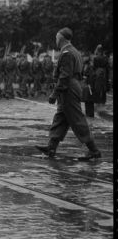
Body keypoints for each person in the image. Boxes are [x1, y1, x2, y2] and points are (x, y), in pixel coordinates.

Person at [36, 27, 101, 161]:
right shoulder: (75, 51)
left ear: (60, 38)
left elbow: (64, 76)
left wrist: (54, 94)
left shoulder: (66, 53)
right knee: (61, 118)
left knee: (77, 119)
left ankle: (94, 150)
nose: (55, 40)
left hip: (68, 89)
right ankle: (51, 148)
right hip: (73, 86)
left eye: (56, 37)